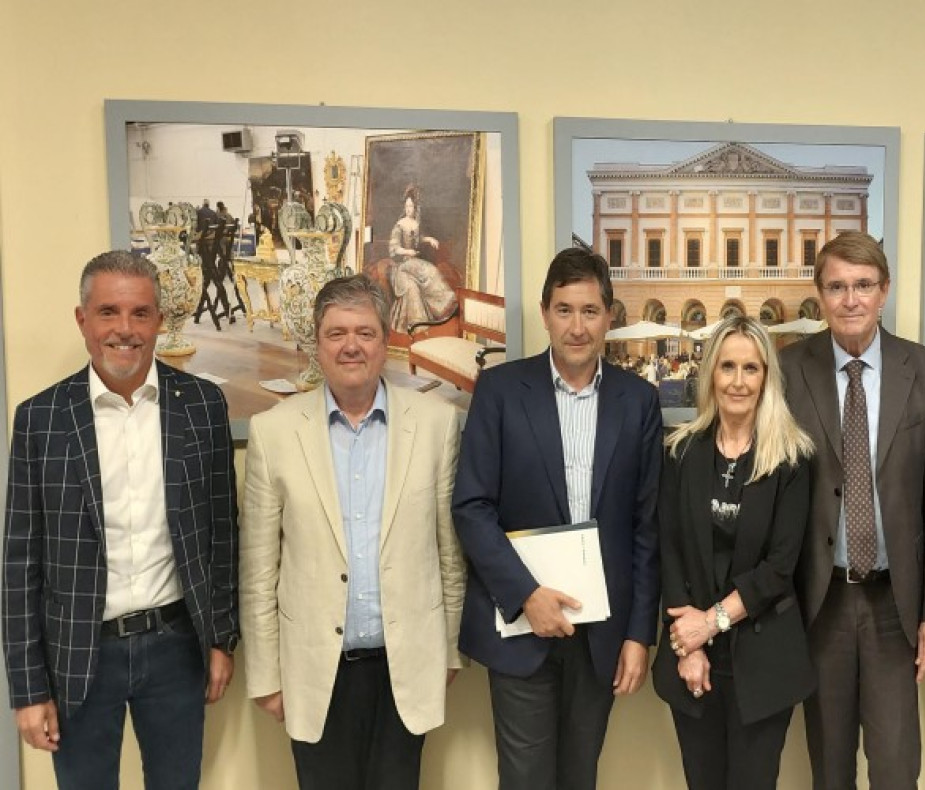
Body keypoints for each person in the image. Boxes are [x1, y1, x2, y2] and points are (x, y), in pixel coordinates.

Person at [3, 250, 238, 789]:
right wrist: (29, 688)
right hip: (79, 655)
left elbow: (223, 533)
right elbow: (20, 562)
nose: (124, 329)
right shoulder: (41, 418)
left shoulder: (202, 406)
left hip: (177, 648)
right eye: (108, 312)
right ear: (82, 319)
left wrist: (222, 638)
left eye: (140, 313)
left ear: (158, 321)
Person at [239, 274, 464, 790]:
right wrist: (266, 676)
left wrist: (448, 650)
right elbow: (258, 569)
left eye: (365, 332)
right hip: (314, 669)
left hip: (406, 666)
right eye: (336, 333)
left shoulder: (437, 424)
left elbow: (449, 554)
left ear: (385, 341)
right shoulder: (273, 431)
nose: (351, 346)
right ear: (316, 344)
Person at [452, 247, 662, 790]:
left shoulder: (638, 401)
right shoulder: (500, 391)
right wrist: (526, 594)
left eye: (590, 311)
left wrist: (639, 635)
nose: (577, 326)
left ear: (609, 316)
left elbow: (646, 528)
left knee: (579, 777)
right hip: (521, 626)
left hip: (601, 635)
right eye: (564, 310)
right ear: (545, 313)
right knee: (524, 779)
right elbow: (472, 506)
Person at [779, 231, 925, 789]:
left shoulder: (922, 369)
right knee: (829, 766)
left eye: (862, 285)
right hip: (820, 601)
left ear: (884, 290)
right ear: (820, 295)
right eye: (836, 287)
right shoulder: (789, 370)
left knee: (896, 767)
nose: (850, 299)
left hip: (894, 605)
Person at [654, 316, 815, 790]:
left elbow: (779, 568)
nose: (738, 381)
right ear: (710, 373)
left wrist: (711, 622)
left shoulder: (792, 458)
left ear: (767, 377)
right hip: (693, 660)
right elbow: (670, 549)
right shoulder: (680, 452)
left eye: (751, 368)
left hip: (763, 663)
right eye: (727, 367)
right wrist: (688, 644)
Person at [387, 185, 457, 334]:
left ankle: (446, 303)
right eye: (407, 206)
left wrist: (429, 239)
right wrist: (408, 251)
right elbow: (394, 247)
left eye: (411, 206)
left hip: (413, 263)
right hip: (402, 265)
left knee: (431, 270)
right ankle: (419, 322)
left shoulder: (416, 224)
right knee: (421, 276)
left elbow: (418, 238)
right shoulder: (399, 225)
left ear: (415, 208)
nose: (408, 209)